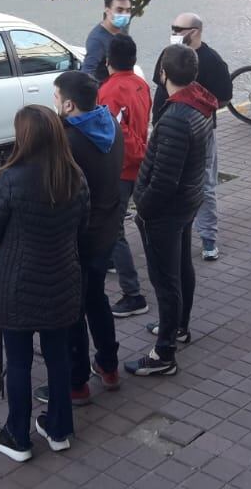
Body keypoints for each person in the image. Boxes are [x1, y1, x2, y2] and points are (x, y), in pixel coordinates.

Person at [0, 106, 88, 462]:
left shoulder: (11, 178)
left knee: (20, 361)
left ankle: (17, 435)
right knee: (57, 357)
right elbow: (81, 226)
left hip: (19, 283)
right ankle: (58, 429)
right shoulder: (75, 176)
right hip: (62, 280)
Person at [32, 71, 123, 406]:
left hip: (78, 238)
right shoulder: (110, 123)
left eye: (55, 97)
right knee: (95, 298)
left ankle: (76, 382)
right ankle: (109, 366)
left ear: (69, 104)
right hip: (106, 231)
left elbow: (56, 193)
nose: (53, 102)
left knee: (72, 309)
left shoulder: (67, 141)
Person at [126, 44, 216, 377]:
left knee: (165, 281)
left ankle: (164, 353)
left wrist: (143, 208)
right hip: (188, 202)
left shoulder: (177, 117)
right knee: (181, 269)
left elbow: (164, 179)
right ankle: (178, 326)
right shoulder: (201, 102)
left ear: (163, 73)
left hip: (166, 211)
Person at [151, 13, 232, 260]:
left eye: (178, 28)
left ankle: (208, 239)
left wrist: (197, 110)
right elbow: (159, 88)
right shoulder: (168, 54)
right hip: (166, 129)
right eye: (172, 27)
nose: (174, 31)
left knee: (204, 185)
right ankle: (174, 234)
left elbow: (224, 96)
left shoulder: (212, 60)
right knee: (168, 182)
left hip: (201, 134)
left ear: (195, 31)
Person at [97, 35, 153, 318]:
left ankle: (132, 293)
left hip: (121, 169)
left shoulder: (110, 91)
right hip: (138, 166)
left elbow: (118, 135)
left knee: (114, 228)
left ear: (108, 61)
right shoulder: (141, 85)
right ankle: (109, 261)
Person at [80, 0, 133, 85]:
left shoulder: (121, 30)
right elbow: (87, 74)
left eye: (128, 10)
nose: (125, 15)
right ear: (107, 10)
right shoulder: (97, 40)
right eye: (119, 10)